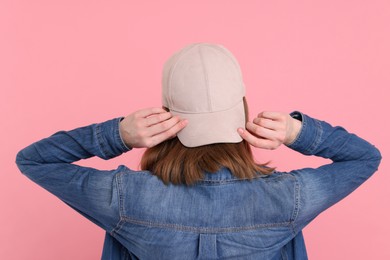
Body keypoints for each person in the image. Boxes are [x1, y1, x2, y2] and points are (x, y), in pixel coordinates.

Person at [16, 42, 382, 260]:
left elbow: (33, 159)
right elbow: (365, 157)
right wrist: (296, 132)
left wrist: (119, 135)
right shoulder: (290, 197)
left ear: (165, 115)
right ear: (241, 107)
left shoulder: (126, 198)